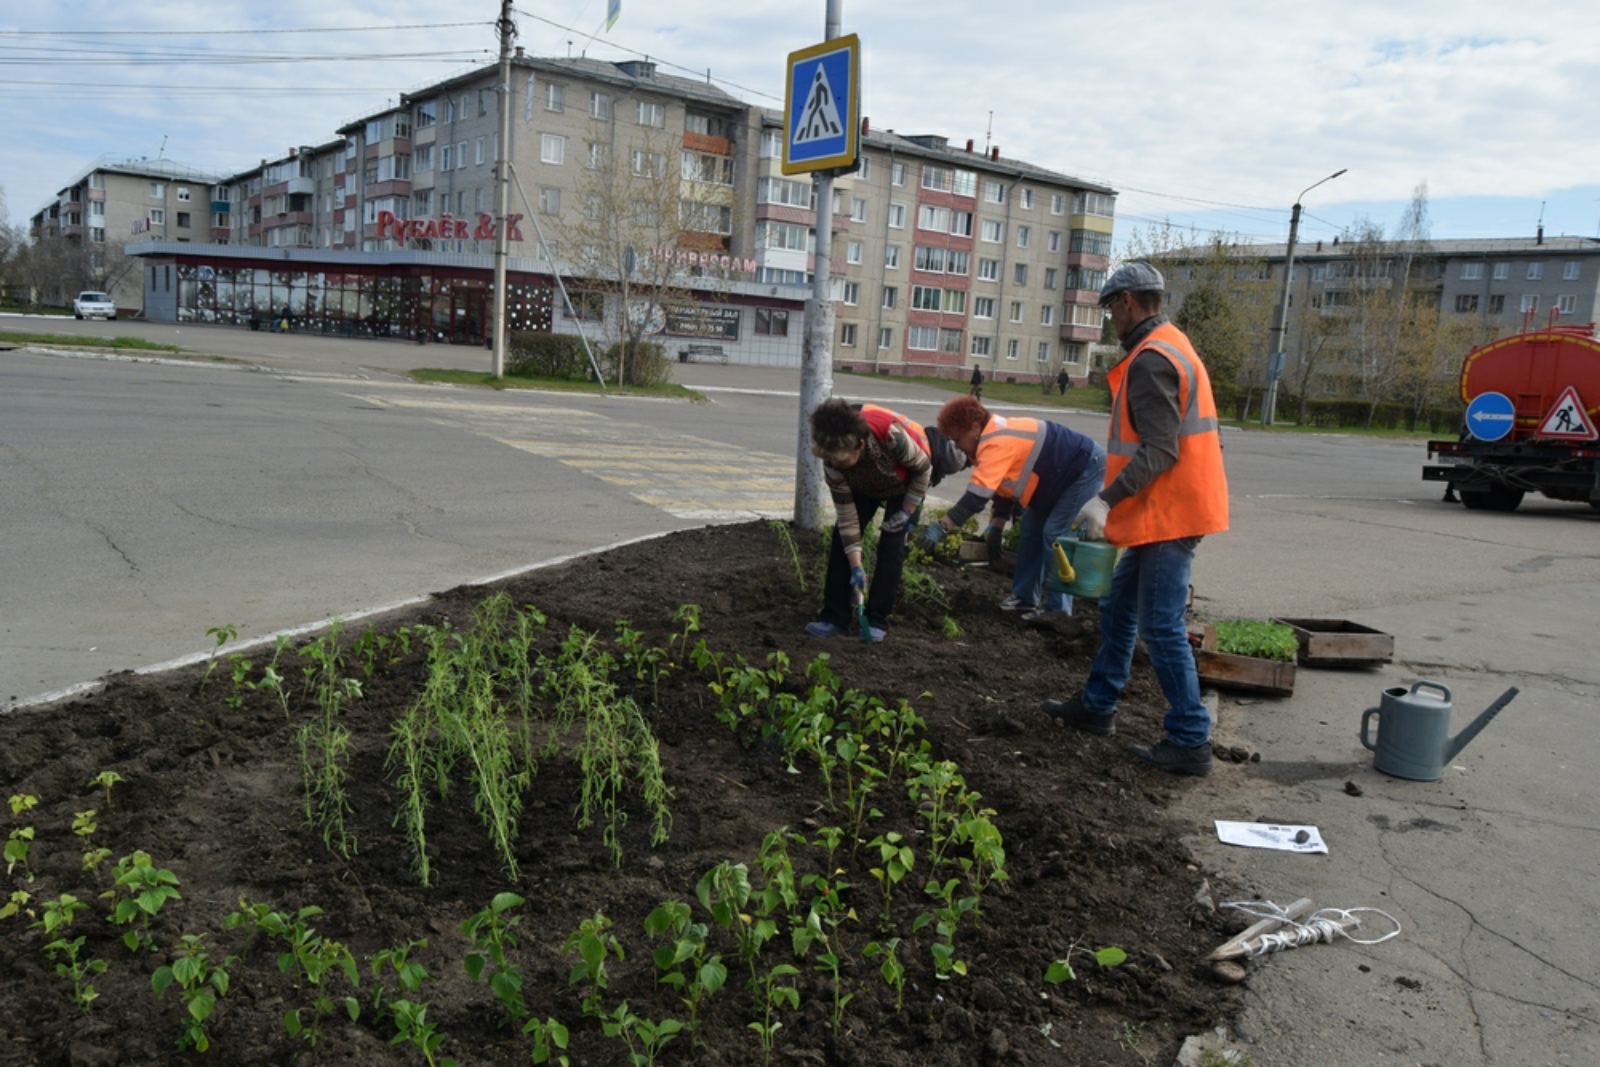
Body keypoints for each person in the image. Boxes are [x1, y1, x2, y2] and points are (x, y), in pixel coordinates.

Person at [1039, 262, 1229, 776]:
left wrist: (1105, 499)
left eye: (1108, 309)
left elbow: (1161, 449)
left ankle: (1190, 739)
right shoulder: (1174, 343)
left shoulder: (1151, 359)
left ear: (1126, 301)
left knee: (1161, 626)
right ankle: (1098, 707)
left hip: (1170, 513)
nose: (1108, 321)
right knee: (1119, 610)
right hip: (1164, 510)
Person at [919, 396, 1106, 623]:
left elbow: (976, 498)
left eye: (958, 439)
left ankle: (1059, 611)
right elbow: (1003, 488)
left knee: (1054, 534)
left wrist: (942, 526)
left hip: (1084, 468)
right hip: (1055, 480)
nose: (957, 445)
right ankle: (1025, 598)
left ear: (976, 426)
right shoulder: (989, 441)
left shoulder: (996, 442)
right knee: (1030, 531)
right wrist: (996, 528)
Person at [805, 398, 933, 643]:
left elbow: (923, 470)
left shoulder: (891, 435)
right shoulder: (834, 461)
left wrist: (906, 511)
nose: (834, 465)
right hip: (865, 484)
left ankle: (876, 620)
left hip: (906, 483)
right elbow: (846, 518)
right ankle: (835, 617)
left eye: (841, 460)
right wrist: (856, 565)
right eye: (831, 461)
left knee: (891, 544)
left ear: (860, 445)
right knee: (841, 540)